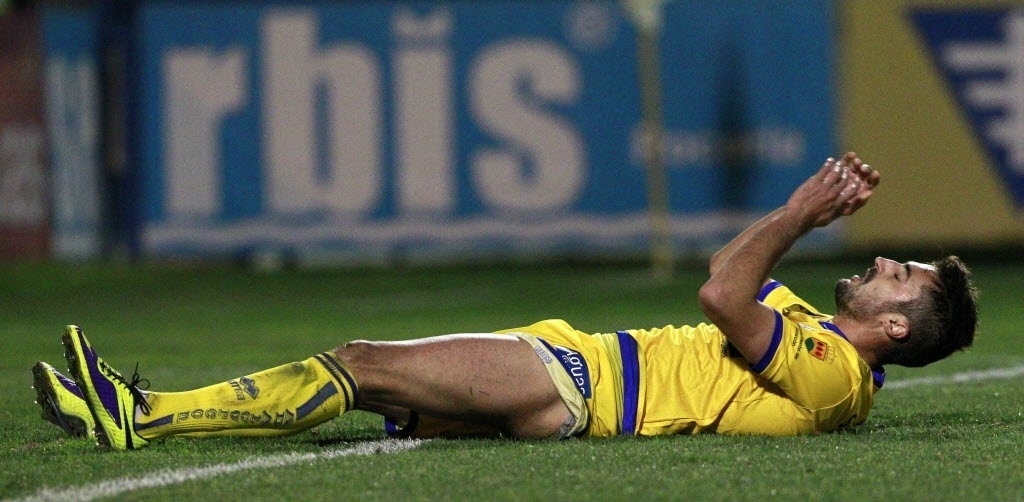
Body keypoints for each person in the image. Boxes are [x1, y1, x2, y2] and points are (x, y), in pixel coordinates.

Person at [32, 152, 979, 450]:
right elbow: (731, 267)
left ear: (895, 327)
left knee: (359, 365)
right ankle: (139, 409)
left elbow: (719, 291)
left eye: (899, 276)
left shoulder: (836, 376)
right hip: (576, 370)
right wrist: (796, 218)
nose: (882, 260)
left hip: (582, 384)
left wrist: (802, 213)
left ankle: (141, 416)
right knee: (383, 394)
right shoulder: (812, 333)